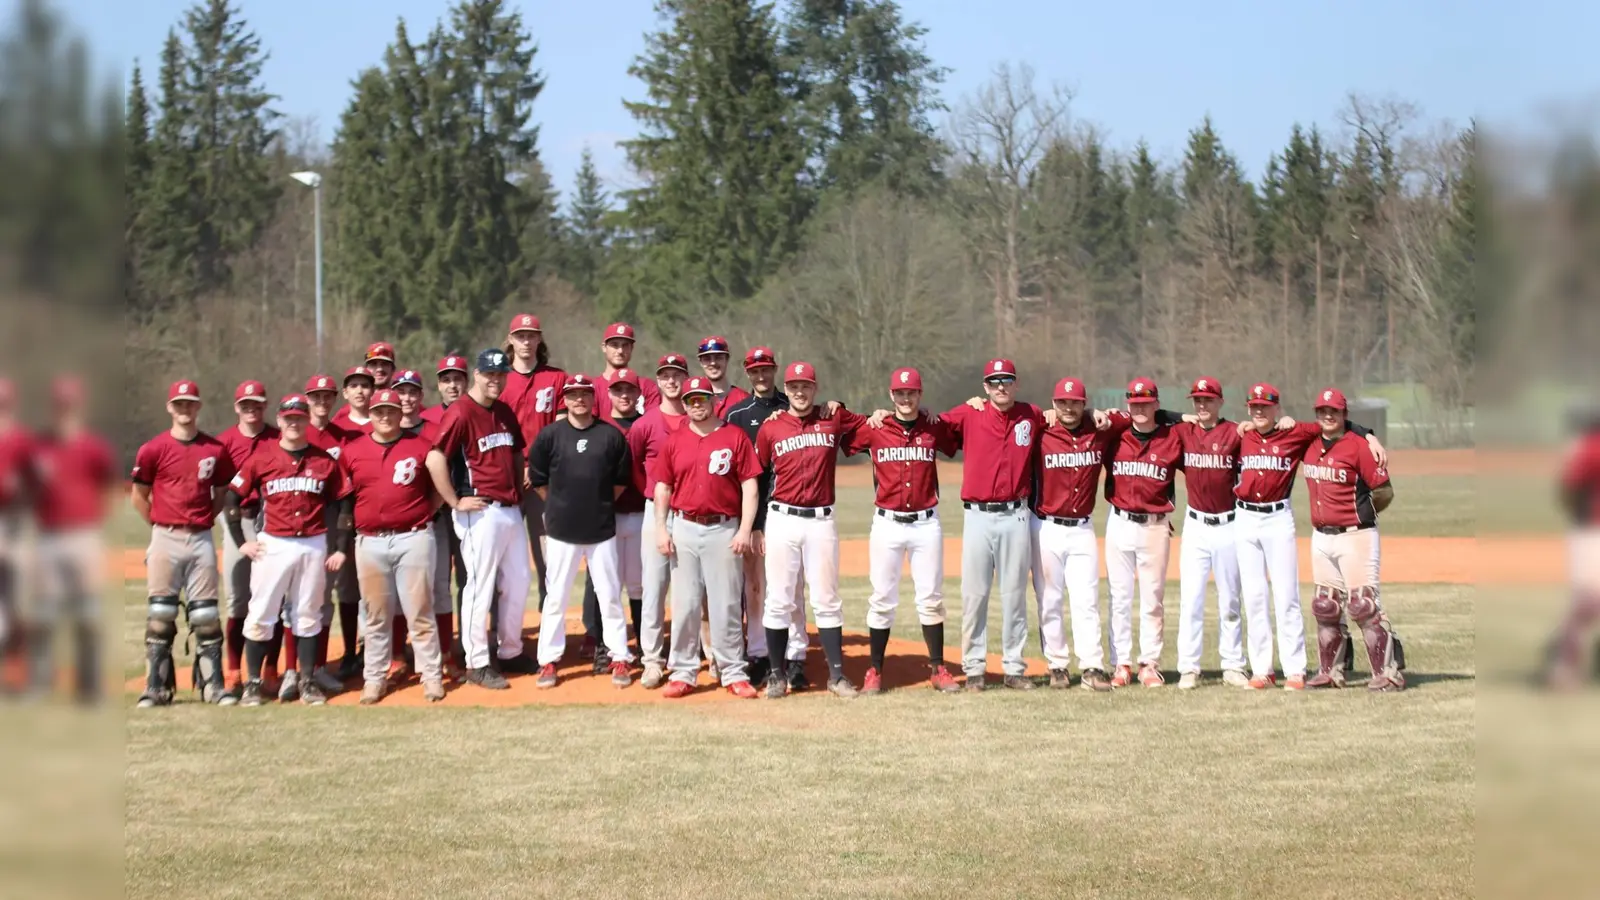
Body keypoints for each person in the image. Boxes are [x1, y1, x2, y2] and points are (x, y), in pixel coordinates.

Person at [874, 359, 1043, 691]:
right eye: (994, 382)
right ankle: (975, 667)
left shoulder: (1032, 414)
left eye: (1006, 380)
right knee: (975, 594)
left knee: (1014, 595)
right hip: (978, 515)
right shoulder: (968, 414)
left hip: (1017, 514)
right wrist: (882, 414)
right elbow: (926, 422)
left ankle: (1014, 667)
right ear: (984, 386)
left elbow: (1067, 418)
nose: (1000, 387)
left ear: (1015, 383)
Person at [1234, 383, 1386, 690]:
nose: (1259, 411)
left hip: (1279, 518)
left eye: (1265, 406)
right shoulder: (1242, 434)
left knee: (1287, 595)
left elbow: (1336, 427)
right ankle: (1261, 670)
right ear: (1248, 409)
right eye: (1254, 406)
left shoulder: (1296, 433)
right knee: (1254, 597)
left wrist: (1368, 433)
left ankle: (1295, 670)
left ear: (1277, 408)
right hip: (1245, 518)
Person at [224, 393, 351, 707]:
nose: (294, 423)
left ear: (307, 420)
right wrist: (242, 541)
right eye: (288, 418)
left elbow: (345, 500)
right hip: (274, 542)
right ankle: (253, 683)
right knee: (261, 612)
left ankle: (307, 681)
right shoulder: (262, 456)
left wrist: (340, 547)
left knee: (308, 615)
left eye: (299, 417)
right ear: (279, 420)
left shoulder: (324, 460)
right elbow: (231, 498)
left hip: (313, 542)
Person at [842, 367, 962, 693]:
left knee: (932, 597)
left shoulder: (932, 428)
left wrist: (977, 400)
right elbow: (840, 426)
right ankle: (874, 671)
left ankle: (938, 668)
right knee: (881, 597)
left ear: (920, 395)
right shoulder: (876, 427)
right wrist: (864, 412)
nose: (905, 398)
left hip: (926, 523)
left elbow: (962, 432)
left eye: (911, 393)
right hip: (887, 523)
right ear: (891, 395)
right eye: (900, 393)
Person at [756, 361, 869, 699]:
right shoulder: (771, 428)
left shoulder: (831, 417)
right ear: (786, 390)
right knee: (778, 598)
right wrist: (757, 525)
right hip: (781, 518)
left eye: (806, 386)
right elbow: (759, 474)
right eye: (793, 386)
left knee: (826, 598)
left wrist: (846, 408)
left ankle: (836, 676)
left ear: (815, 388)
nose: (800, 392)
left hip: (821, 520)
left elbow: (871, 425)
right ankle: (777, 675)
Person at [427, 347, 537, 689]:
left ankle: (510, 650)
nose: (496, 379)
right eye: (490, 374)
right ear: (476, 374)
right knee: (480, 586)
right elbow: (434, 459)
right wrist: (454, 501)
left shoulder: (503, 410)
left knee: (518, 581)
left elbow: (517, 452)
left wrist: (519, 487)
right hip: (480, 511)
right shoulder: (461, 412)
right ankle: (476, 662)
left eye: (501, 374)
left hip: (509, 509)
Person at [652, 376, 762, 698]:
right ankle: (684, 671)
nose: (696, 405)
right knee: (685, 604)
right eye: (690, 400)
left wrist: (744, 529)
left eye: (701, 399)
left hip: (723, 528)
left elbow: (749, 486)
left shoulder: (734, 436)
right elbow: (663, 487)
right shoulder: (674, 440)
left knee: (725, 603)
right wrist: (661, 527)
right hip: (684, 526)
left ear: (713, 401)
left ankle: (732, 672)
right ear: (683, 404)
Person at [130, 380, 237, 707]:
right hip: (165, 535)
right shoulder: (153, 448)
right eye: (179, 403)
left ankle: (211, 685)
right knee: (160, 612)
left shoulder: (214, 449)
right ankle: (157, 686)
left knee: (205, 615)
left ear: (198, 406)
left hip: (201, 536)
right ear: (169, 407)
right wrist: (162, 524)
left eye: (190, 403)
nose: (184, 409)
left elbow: (220, 494)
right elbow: (139, 496)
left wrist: (199, 521)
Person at [528, 374, 634, 689]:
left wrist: (595, 505)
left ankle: (619, 657)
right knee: (556, 597)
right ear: (565, 399)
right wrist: (561, 506)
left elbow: (620, 481)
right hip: (562, 531)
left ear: (593, 398)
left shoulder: (610, 436)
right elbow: (538, 479)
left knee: (611, 596)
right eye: (573, 395)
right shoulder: (550, 436)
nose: (579, 400)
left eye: (585, 394)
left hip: (601, 529)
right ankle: (548, 660)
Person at [342, 389, 447, 704]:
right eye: (379, 411)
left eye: (390, 410)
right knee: (375, 615)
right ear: (370, 414)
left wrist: (425, 512)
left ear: (400, 413)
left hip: (413, 536)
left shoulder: (421, 446)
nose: (385, 416)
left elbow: (439, 488)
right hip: (370, 540)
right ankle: (374, 679)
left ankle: (431, 677)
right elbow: (346, 498)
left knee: (420, 611)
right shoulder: (354, 449)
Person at [1301, 388, 1404, 691]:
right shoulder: (1309, 441)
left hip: (1355, 535)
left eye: (1334, 411)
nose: (1328, 416)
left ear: (1344, 414)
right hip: (1321, 537)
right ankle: (1332, 672)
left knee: (1363, 606)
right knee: (1325, 606)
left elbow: (1384, 490)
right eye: (1322, 411)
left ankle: (1388, 673)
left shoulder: (1358, 446)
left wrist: (1362, 516)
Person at [722, 346, 811, 689]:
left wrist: (837, 406)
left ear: (775, 371)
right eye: (755, 370)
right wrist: (752, 525)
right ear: (747, 373)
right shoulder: (737, 414)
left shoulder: (791, 407)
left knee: (793, 588)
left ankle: (797, 656)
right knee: (756, 588)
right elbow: (740, 475)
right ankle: (759, 653)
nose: (761, 375)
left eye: (766, 369)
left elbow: (830, 417)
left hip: (790, 511)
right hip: (757, 516)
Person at [27, 377, 114, 703]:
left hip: (84, 537)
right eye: (60, 406)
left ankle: (89, 687)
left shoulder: (93, 447)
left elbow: (106, 484)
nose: (65, 411)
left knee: (88, 616)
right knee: (45, 616)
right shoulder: (40, 446)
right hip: (49, 538)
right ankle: (40, 684)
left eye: (70, 405)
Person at [1029, 377, 1119, 692]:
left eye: (1075, 402)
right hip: (1046, 527)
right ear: (1054, 404)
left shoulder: (1099, 430)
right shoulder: (1041, 430)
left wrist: (1098, 412)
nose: (1068, 408)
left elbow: (1138, 416)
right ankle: (1057, 666)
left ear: (1084, 404)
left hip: (1082, 528)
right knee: (1049, 600)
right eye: (1062, 402)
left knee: (1086, 599)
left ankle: (1092, 666)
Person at [1102, 379, 1186, 688]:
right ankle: (1121, 663)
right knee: (1119, 597)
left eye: (1146, 402)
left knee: (1153, 599)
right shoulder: (1115, 436)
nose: (1139, 407)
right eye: (1134, 402)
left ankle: (1149, 663)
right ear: (1127, 404)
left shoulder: (1172, 438)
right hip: (1120, 521)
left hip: (1155, 524)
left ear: (1156, 405)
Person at [1172, 378, 1249, 690]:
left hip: (1229, 524)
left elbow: (1273, 434)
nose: (1201, 405)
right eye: (1197, 400)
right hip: (1195, 525)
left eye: (1207, 400)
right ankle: (1189, 667)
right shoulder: (1183, 431)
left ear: (1220, 402)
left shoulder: (1235, 433)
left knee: (1230, 598)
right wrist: (1178, 417)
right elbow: (1152, 416)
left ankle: (1232, 665)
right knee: (1191, 599)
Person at [628, 353, 691, 688]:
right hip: (657, 512)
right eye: (665, 375)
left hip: (691, 515)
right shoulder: (645, 423)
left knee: (686, 591)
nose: (671, 381)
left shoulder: (697, 417)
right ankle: (651, 659)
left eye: (677, 375)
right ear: (658, 381)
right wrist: (651, 496)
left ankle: (683, 658)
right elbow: (634, 464)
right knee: (653, 588)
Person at [577, 368, 647, 672]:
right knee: (606, 585)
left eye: (629, 390)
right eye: (618, 390)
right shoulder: (598, 428)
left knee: (639, 585)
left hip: (642, 513)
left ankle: (645, 645)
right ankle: (604, 647)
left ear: (638, 394)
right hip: (608, 516)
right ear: (609, 394)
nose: (624, 395)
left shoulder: (648, 425)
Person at [215, 380, 280, 701]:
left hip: (271, 518)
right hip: (236, 519)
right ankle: (233, 670)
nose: (251, 409)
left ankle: (270, 668)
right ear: (236, 406)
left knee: (274, 596)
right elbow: (215, 489)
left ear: (265, 405)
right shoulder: (224, 442)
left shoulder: (277, 437)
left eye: (257, 403)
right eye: (245, 404)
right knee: (238, 598)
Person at [498, 313, 568, 609]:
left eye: (531, 335)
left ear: (539, 339)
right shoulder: (498, 379)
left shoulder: (556, 377)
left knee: (548, 556)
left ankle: (550, 623)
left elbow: (561, 430)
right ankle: (502, 632)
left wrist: (536, 468)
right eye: (520, 335)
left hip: (544, 478)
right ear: (511, 340)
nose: (526, 341)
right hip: (505, 477)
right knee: (504, 558)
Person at [1542, 406, 1600, 689]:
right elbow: (1570, 486)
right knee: (1589, 602)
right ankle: (1563, 665)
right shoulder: (1592, 448)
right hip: (1592, 532)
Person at [421, 355, 468, 675]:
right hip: (436, 512)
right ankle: (443, 650)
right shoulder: (426, 420)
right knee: (438, 582)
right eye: (446, 379)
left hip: (469, 510)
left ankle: (469, 645)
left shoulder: (475, 412)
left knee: (471, 580)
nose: (453, 384)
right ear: (438, 384)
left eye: (458, 378)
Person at [0, 378, 35, 684]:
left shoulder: (21, 439)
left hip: (13, 521)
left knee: (17, 595)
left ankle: (18, 669)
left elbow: (36, 480)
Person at [593, 323, 661, 420]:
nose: (620, 351)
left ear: (632, 348)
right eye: (614, 345)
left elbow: (653, 424)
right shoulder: (593, 388)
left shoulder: (647, 387)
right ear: (604, 347)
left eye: (625, 345)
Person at [696, 335, 750, 417]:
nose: (713, 363)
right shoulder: (693, 401)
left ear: (727, 359)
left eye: (718, 358)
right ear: (700, 362)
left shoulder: (744, 399)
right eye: (707, 359)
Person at [331, 366, 375, 434]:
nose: (359, 391)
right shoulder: (336, 428)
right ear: (345, 393)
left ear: (372, 391)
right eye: (353, 386)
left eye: (365, 386)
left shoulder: (382, 426)